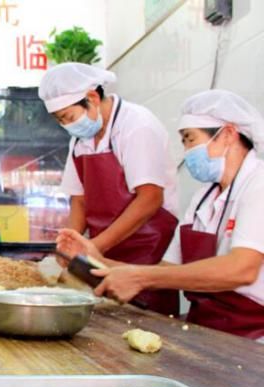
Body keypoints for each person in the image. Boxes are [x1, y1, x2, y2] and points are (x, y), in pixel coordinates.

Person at [58, 90, 264, 340]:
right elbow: (168, 269)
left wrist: (140, 277)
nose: (187, 151)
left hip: (253, 335)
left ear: (228, 134)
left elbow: (241, 270)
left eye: (190, 139)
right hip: (207, 329)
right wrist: (96, 260)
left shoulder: (258, 185)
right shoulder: (202, 200)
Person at [39, 63, 180, 315]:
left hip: (147, 250)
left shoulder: (137, 125)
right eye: (61, 121)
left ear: (92, 97)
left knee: (147, 321)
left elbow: (150, 198)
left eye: (69, 118)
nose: (68, 126)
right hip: (104, 251)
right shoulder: (79, 141)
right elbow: (79, 200)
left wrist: (95, 247)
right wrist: (69, 244)